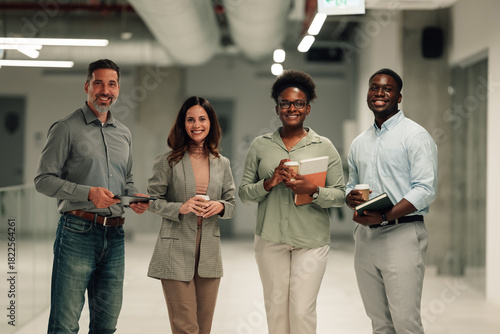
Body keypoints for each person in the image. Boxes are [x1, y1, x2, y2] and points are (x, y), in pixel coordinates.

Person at [34, 58, 150, 333]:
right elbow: (43, 180)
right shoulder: (66, 128)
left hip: (115, 238)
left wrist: (133, 197)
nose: (105, 90)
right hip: (77, 233)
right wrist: (89, 194)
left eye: (111, 84)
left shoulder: (124, 134)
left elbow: (127, 179)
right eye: (98, 83)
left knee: (106, 326)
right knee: (64, 325)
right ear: (87, 86)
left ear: (118, 89)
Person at [238, 69, 345, 334]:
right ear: (277, 109)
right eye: (285, 103)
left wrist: (313, 189)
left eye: (298, 103)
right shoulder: (261, 146)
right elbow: (243, 193)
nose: (292, 108)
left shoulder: (325, 146)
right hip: (271, 239)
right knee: (276, 311)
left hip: (311, 242)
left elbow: (341, 195)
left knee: (301, 311)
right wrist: (269, 182)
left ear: (308, 108)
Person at [345, 68, 438, 333]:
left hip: (402, 234)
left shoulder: (415, 136)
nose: (379, 93)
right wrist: (350, 196)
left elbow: (425, 189)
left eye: (387, 88)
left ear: (399, 97)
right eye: (374, 87)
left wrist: (387, 216)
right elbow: (352, 184)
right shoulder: (359, 143)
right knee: (380, 323)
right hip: (365, 237)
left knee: (405, 322)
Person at [146, 96, 236, 334]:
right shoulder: (167, 161)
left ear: (211, 123)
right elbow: (152, 201)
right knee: (186, 327)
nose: (197, 125)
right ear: (182, 124)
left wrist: (221, 206)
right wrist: (180, 208)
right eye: (190, 119)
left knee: (203, 328)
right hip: (174, 248)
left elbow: (232, 203)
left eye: (202, 119)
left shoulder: (222, 163)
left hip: (208, 251)